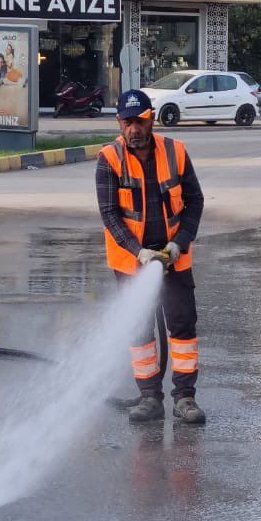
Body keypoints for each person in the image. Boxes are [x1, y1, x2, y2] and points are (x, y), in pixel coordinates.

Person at [95, 90, 206, 426]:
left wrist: (179, 243)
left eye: (140, 121)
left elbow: (194, 202)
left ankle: (185, 398)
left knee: (182, 324)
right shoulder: (109, 159)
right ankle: (149, 398)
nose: (134, 129)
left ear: (151, 119)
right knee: (141, 329)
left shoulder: (175, 152)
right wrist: (138, 251)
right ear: (119, 122)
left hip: (174, 256)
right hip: (132, 261)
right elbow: (110, 214)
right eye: (127, 122)